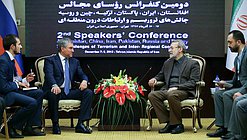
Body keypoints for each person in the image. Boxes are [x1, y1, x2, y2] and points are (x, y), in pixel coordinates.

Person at [148, 39, 200, 134]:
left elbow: (193, 82)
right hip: (168, 89)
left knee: (172, 95)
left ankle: (178, 124)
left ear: (180, 49)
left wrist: (177, 87)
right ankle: (169, 123)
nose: (169, 50)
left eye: (172, 48)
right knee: (152, 95)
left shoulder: (192, 63)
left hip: (183, 90)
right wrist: (155, 79)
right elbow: (161, 75)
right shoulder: (168, 62)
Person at [43, 38, 93, 134]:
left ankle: (80, 124)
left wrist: (84, 81)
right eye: (70, 48)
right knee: (53, 93)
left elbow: (82, 74)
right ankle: (55, 124)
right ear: (62, 48)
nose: (73, 50)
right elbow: (49, 75)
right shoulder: (50, 60)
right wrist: (54, 85)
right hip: (56, 90)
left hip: (69, 91)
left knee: (88, 93)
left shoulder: (74, 61)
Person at [0, 34, 45, 138]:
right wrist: (17, 84)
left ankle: (29, 127)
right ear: (12, 46)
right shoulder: (3, 61)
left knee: (39, 93)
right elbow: (3, 86)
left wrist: (25, 80)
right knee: (32, 103)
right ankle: (9, 126)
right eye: (19, 44)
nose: (21, 47)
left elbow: (12, 79)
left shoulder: (10, 59)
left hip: (12, 91)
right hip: (5, 95)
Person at [207, 30, 247, 138]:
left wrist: (241, 92)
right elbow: (236, 80)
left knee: (226, 94)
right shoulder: (237, 57)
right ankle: (222, 127)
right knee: (218, 94)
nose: (228, 45)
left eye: (230, 42)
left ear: (238, 42)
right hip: (239, 86)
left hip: (245, 88)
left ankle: (231, 130)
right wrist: (225, 83)